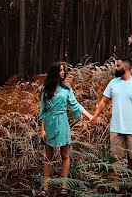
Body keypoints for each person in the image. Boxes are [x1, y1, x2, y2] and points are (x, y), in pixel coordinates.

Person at [38, 62, 92, 196]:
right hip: (49, 123)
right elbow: (43, 111)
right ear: (55, 72)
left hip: (62, 122)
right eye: (61, 70)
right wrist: (42, 130)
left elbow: (75, 105)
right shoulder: (45, 90)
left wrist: (90, 116)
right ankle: (45, 188)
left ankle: (64, 186)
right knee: (48, 157)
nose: (64, 73)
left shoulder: (67, 89)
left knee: (65, 155)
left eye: (64, 71)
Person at [90, 56, 132, 173]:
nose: (115, 68)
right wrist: (95, 116)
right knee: (115, 159)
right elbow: (103, 102)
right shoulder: (113, 83)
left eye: (118, 66)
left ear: (126, 67)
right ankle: (116, 187)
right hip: (116, 127)